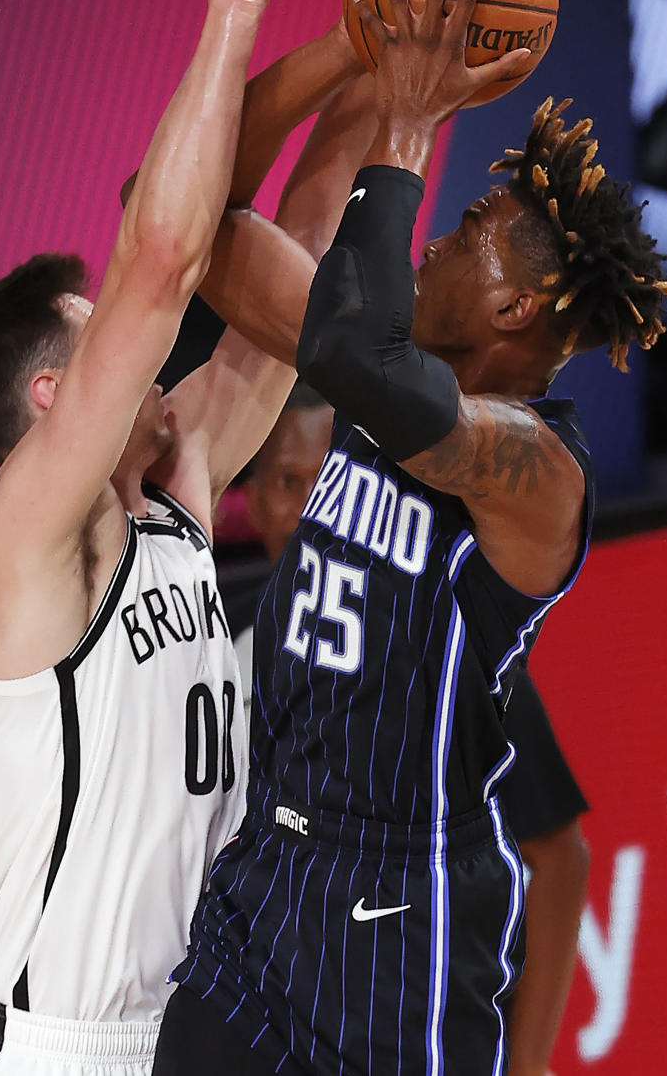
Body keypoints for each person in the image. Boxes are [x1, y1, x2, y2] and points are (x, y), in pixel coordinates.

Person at [153, 0, 667, 1074]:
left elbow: (364, 351)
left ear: (513, 303)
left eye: (464, 231)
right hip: (260, 882)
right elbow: (181, 216)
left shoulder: (537, 470)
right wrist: (353, 47)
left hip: (395, 929)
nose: (431, 241)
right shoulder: (370, 359)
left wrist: (407, 124)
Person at [0, 0, 330, 1076]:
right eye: (96, 330)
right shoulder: (28, 534)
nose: (135, 334)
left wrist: (394, 75)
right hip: (57, 1051)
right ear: (56, 394)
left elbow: (300, 291)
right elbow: (163, 257)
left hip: (196, 1040)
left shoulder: (180, 483)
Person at [239, 383, 589, 1076]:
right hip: (291, 1025)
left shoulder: (442, 632)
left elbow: (558, 855)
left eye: (324, 481)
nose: (310, 507)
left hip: (432, 1026)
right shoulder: (233, 641)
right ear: (249, 501)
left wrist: (526, 1064)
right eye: (286, 481)